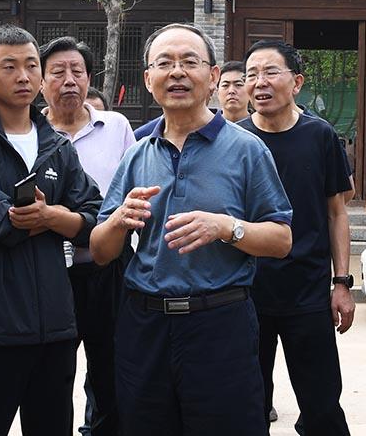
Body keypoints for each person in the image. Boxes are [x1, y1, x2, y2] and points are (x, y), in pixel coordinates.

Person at [90, 22, 293, 436]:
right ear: (148, 79)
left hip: (220, 324)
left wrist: (225, 226)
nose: (177, 72)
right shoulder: (137, 155)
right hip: (145, 325)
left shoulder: (247, 149)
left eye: (189, 62)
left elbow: (281, 239)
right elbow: (100, 250)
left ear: (213, 76)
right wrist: (119, 220)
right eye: (164, 63)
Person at [0, 24, 103, 436]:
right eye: (10, 66)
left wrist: (50, 217)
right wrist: (60, 219)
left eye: (31, 66)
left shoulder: (57, 145)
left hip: (55, 324)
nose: (23, 76)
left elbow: (94, 215)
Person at [237, 40, 353, 435]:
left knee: (322, 405)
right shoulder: (235, 140)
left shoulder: (320, 135)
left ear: (297, 82)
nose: (259, 82)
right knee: (247, 403)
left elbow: (337, 212)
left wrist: (341, 283)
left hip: (308, 292)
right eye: (252, 74)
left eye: (271, 72)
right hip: (245, 292)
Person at [39, 36, 136, 436]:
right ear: (41, 82)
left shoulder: (116, 127)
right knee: (52, 374)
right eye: (57, 72)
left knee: (111, 368)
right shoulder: (31, 131)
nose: (69, 80)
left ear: (89, 78)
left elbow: (134, 186)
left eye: (77, 71)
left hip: (108, 266)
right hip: (49, 271)